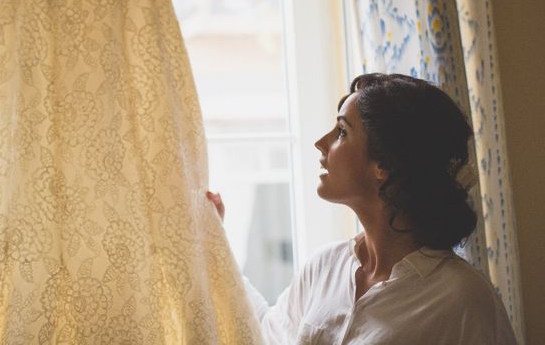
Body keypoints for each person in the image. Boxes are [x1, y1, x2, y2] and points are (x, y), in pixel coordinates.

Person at [207, 73, 518, 344]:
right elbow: (265, 333)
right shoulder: (324, 268)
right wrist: (215, 242)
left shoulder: (463, 300)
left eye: (342, 132)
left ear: (383, 163)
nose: (321, 142)